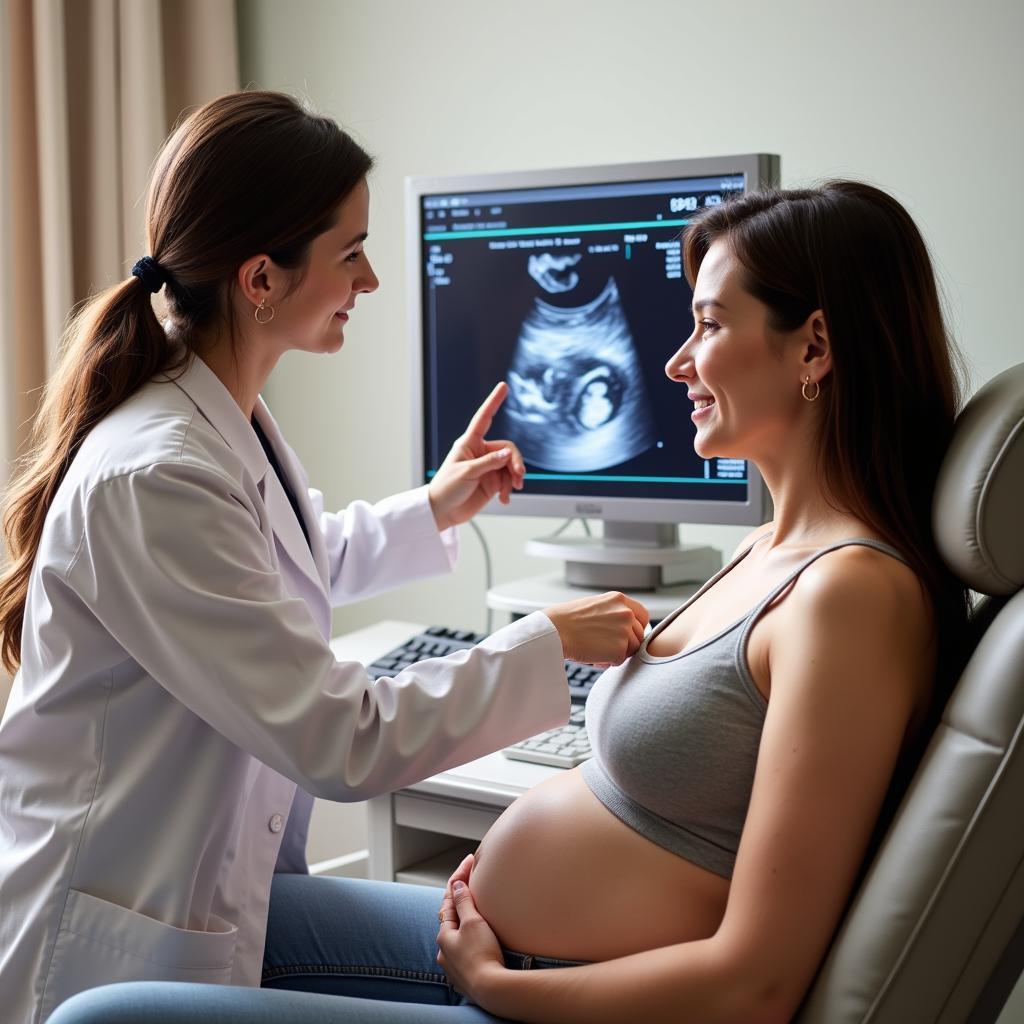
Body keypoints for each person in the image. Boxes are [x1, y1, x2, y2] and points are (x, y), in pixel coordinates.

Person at [49, 176, 971, 1024]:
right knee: (211, 923)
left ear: (814, 344)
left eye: (710, 326)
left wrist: (499, 986)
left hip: (541, 998)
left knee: (99, 1019)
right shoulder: (763, 549)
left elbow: (757, 981)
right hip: (515, 961)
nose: (678, 363)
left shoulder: (849, 597)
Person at [0, 90, 650, 1023]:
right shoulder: (158, 471)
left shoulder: (217, 418)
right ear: (261, 279)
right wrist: (544, 644)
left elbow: (275, 566)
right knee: (511, 985)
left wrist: (432, 508)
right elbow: (340, 740)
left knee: (524, 961)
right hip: (121, 933)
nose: (372, 280)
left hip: (208, 900)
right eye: (351, 253)